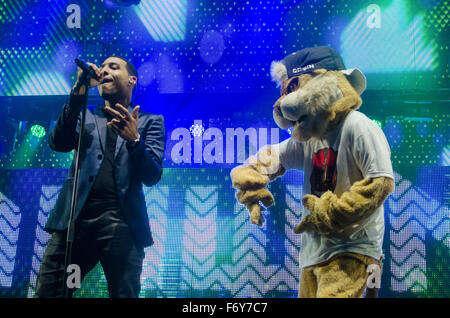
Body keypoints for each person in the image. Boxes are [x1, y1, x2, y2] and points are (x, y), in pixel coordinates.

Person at [34, 56, 166, 298]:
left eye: (113, 67)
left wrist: (135, 140)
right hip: (75, 223)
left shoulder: (150, 121)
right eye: (102, 67)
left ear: (132, 80)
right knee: (49, 293)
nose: (104, 70)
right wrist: (78, 91)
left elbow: (152, 175)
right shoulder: (85, 115)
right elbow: (59, 143)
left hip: (122, 225)